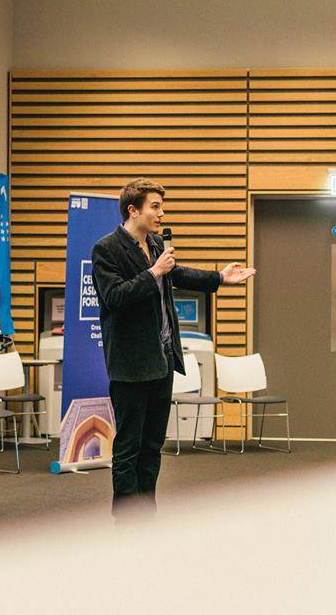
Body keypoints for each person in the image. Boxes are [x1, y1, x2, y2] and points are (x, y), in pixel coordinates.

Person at [91, 178, 255, 519]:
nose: (161, 213)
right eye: (155, 207)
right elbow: (114, 297)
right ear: (133, 210)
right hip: (131, 365)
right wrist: (153, 272)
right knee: (129, 447)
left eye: (161, 207)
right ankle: (126, 520)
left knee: (152, 446)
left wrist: (219, 278)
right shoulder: (106, 249)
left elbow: (176, 274)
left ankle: (146, 515)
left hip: (162, 361)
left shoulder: (152, 243)